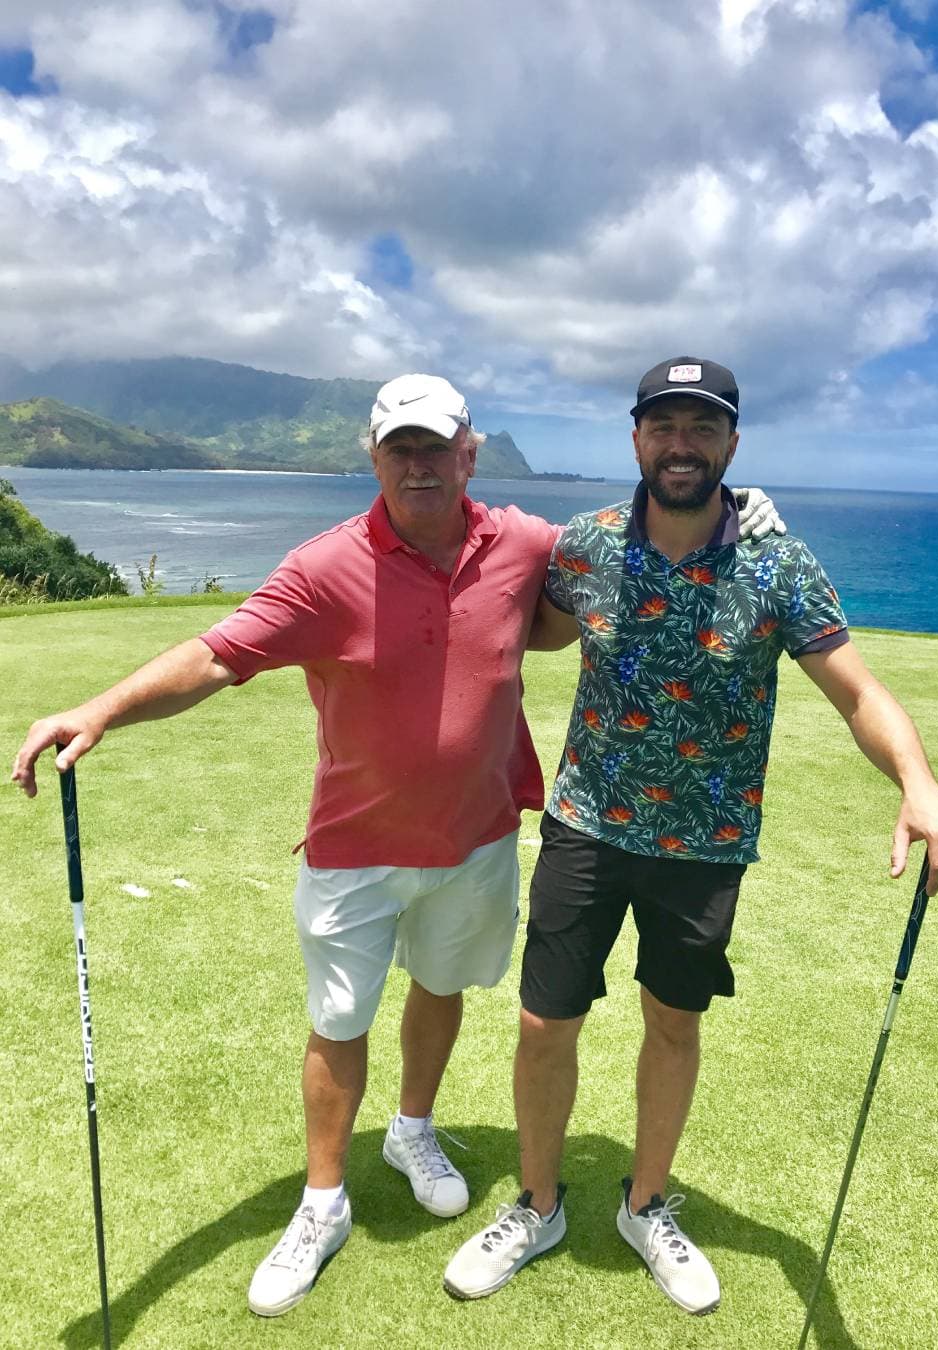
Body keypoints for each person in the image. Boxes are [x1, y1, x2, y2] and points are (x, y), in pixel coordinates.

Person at [11, 371, 784, 1319]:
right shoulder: (324, 565)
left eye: (436, 446)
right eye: (399, 448)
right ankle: (322, 1203)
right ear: (374, 458)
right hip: (354, 843)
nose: (419, 464)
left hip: (477, 837)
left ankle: (412, 1129)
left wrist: (740, 508)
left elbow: (636, 535)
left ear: (470, 452)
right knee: (339, 1021)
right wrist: (99, 709)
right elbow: (218, 656)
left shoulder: (523, 543)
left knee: (442, 988)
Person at [444, 356, 938, 1315]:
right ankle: (537, 1202)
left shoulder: (780, 563)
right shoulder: (586, 547)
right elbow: (527, 625)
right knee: (541, 1022)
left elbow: (856, 691)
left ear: (732, 443)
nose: (681, 444)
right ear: (636, 436)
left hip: (706, 843)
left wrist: (920, 783)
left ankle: (647, 1205)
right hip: (586, 826)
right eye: (664, 425)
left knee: (673, 1021)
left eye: (703, 428)